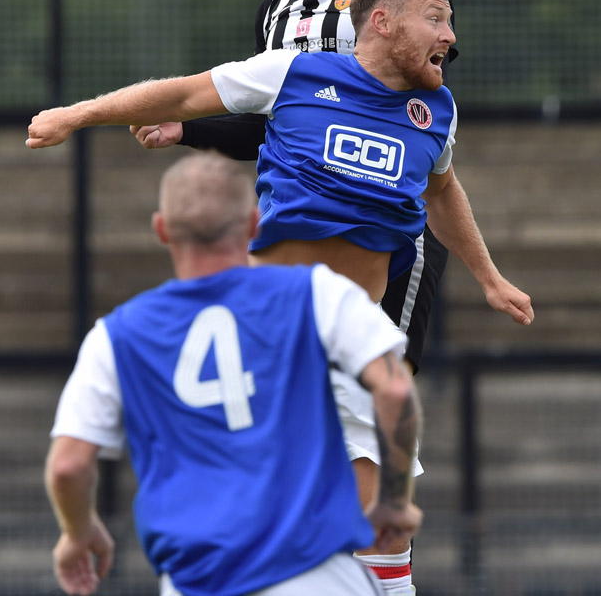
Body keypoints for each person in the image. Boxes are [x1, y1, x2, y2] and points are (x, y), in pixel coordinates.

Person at [28, 0, 534, 596]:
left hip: (348, 334)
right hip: (268, 332)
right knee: (275, 519)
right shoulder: (294, 71)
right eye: (435, 18)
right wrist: (75, 115)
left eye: (450, 20)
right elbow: (183, 92)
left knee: (382, 532)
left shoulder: (436, 112)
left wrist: (489, 278)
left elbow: (443, 191)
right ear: (382, 21)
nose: (450, 36)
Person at [139, 0, 454, 377]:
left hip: (386, 225)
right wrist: (185, 129)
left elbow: (426, 103)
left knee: (380, 396)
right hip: (301, 227)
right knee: (299, 395)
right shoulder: (277, 5)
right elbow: (270, 126)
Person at [44, 152, 423, 596]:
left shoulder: (116, 335)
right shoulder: (316, 293)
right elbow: (395, 390)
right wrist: (394, 502)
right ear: (254, 224)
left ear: (161, 229)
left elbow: (68, 465)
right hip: (315, 573)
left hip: (198, 582)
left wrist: (78, 531)